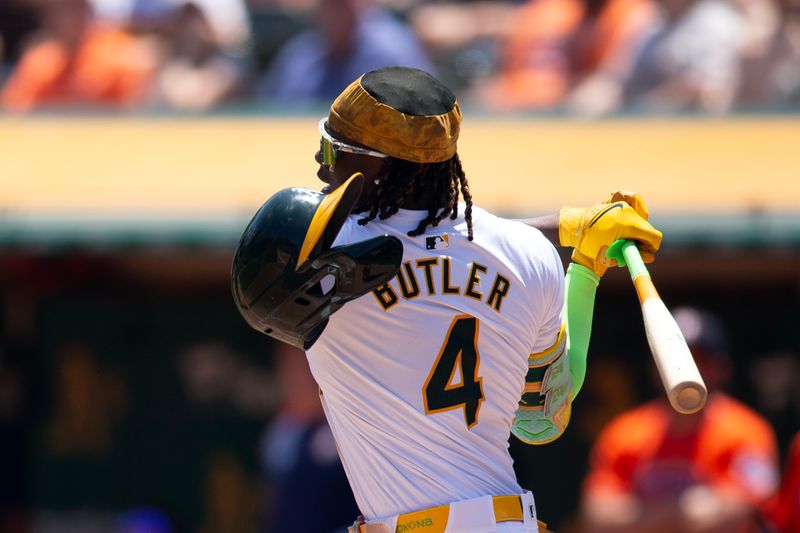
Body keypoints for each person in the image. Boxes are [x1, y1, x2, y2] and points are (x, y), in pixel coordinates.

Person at [232, 66, 662, 532]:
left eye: (333, 150)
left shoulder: (320, 257)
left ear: (379, 168)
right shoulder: (531, 255)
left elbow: (404, 246)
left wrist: (561, 228)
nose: (321, 167)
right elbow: (541, 420)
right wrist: (584, 267)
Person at [581, 306, 780, 533]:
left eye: (699, 358)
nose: (684, 368)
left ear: (722, 367)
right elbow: (597, 518)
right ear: (654, 365)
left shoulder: (748, 431)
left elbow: (742, 512)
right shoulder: (624, 432)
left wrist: (641, 514)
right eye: (672, 356)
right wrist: (688, 510)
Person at [256, 0, 433, 107]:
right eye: (331, 3)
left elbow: (422, 111)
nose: (337, 10)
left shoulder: (394, 49)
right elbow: (274, 114)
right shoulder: (301, 57)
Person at [1, 0, 155, 113]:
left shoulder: (118, 55)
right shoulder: (41, 59)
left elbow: (133, 114)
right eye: (61, 10)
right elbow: (14, 110)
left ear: (88, 12)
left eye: (75, 8)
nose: (67, 17)